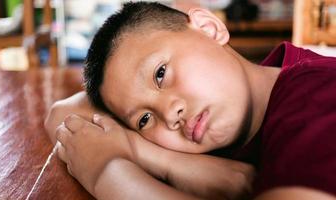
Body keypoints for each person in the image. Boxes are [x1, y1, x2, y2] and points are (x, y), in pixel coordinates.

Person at [45, 2, 336, 200]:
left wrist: (107, 174)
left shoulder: (315, 91)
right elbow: (63, 115)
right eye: (144, 120)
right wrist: (168, 161)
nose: (170, 114)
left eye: (160, 74)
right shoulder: (242, 101)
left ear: (209, 28)